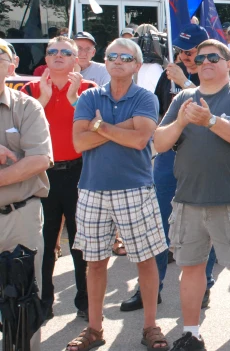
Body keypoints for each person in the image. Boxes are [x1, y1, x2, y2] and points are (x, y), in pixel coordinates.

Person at [155, 39, 230, 351]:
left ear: (228, 64)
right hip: (188, 201)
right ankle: (191, 333)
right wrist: (181, 120)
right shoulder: (184, 99)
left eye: (213, 57)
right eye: (199, 58)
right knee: (190, 271)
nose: (204, 62)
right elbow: (159, 143)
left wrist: (211, 121)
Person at [68, 38, 168, 351]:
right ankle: (94, 329)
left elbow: (140, 140)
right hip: (92, 190)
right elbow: (78, 144)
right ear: (106, 62)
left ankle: (150, 326)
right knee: (95, 262)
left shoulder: (145, 97)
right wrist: (117, 129)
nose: (118, 61)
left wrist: (98, 127)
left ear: (137, 65)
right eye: (112, 56)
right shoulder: (89, 96)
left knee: (145, 260)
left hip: (134, 189)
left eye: (126, 57)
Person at [121, 24, 217, 313]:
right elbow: (157, 113)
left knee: (204, 224)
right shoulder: (167, 74)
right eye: (180, 52)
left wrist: (187, 83)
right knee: (157, 224)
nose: (185, 57)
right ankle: (151, 287)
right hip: (168, 156)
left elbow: (215, 108)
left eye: (190, 52)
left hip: (203, 158)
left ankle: (205, 285)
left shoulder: (215, 73)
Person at [21, 36, 96, 321]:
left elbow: (96, 130)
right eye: (53, 52)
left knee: (81, 242)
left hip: (79, 172)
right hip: (42, 174)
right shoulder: (29, 89)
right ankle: (44, 301)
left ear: (76, 59)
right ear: (46, 58)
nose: (59, 55)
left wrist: (74, 99)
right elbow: (22, 132)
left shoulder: (89, 90)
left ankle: (85, 301)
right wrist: (41, 99)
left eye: (66, 52)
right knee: (44, 242)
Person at [0, 39, 53, 351]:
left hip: (19, 216)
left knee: (23, 302)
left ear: (12, 64)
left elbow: (38, 160)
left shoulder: (26, 106)